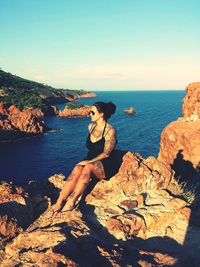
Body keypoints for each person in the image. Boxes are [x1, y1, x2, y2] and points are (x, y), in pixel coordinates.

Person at [51, 101, 119, 214]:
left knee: (87, 167)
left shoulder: (110, 131)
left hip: (105, 164)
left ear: (101, 114)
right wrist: (87, 161)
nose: (89, 114)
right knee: (78, 167)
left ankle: (72, 201)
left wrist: (89, 162)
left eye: (92, 112)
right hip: (91, 160)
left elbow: (106, 153)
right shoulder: (91, 127)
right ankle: (60, 201)